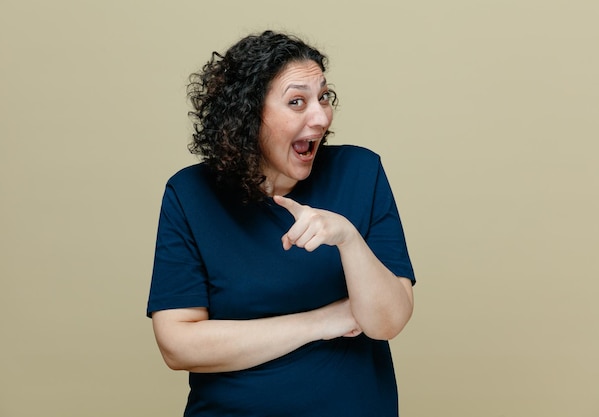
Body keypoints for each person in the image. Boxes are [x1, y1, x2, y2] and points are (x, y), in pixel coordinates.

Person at [147, 30, 416, 417]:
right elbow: (178, 345)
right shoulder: (189, 195)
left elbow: (387, 322)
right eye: (296, 102)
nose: (321, 117)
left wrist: (348, 238)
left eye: (323, 97)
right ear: (247, 116)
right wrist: (323, 321)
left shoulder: (361, 172)